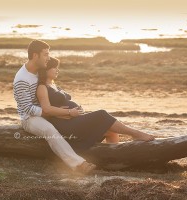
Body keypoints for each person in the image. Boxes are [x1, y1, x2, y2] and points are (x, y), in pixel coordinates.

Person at [36, 56, 155, 152]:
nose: (57, 70)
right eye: (54, 68)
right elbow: (46, 109)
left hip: (73, 120)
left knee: (111, 131)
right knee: (102, 114)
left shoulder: (55, 85)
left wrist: (77, 109)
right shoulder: (42, 87)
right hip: (65, 125)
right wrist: (68, 112)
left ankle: (114, 155)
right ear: (46, 70)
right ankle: (135, 133)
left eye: (58, 67)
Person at [13, 40, 96, 174]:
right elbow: (28, 108)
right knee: (49, 130)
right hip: (31, 118)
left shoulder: (39, 70)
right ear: (35, 56)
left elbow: (50, 86)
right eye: (45, 54)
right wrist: (52, 113)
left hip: (47, 111)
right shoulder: (22, 78)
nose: (48, 58)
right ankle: (79, 164)